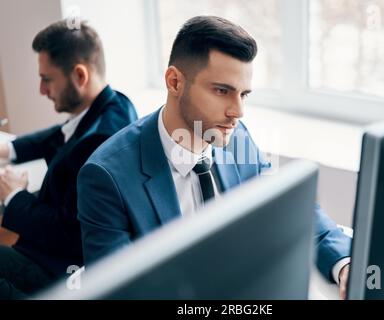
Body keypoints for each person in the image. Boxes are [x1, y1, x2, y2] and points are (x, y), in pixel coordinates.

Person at [77, 16, 351, 299]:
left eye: (244, 94)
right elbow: (116, 293)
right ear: (174, 82)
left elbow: (289, 207)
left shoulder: (236, 137)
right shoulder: (105, 176)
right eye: (222, 91)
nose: (238, 111)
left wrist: (343, 263)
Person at [0, 20, 138, 299]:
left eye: (47, 79)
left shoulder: (97, 142)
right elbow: (60, 133)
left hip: (59, 270)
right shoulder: (115, 104)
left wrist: (14, 195)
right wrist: (8, 149)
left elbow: (68, 234)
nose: (41, 90)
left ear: (80, 75)